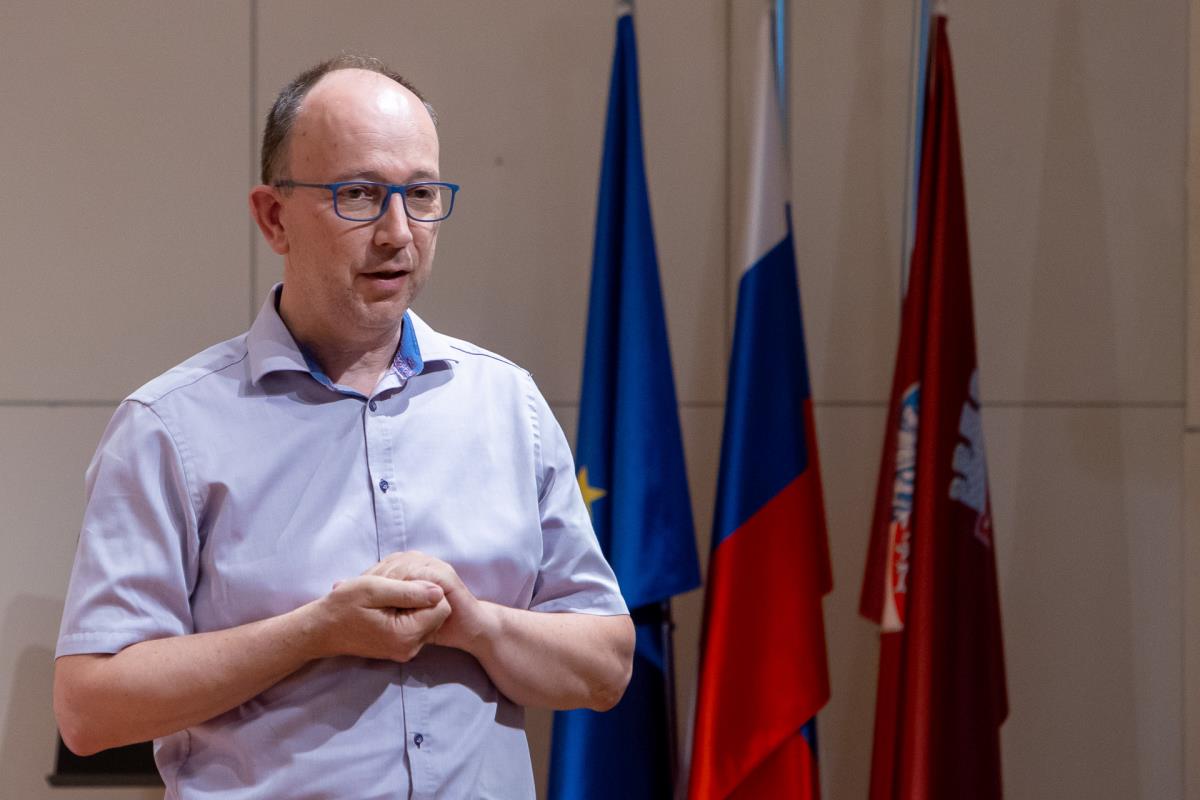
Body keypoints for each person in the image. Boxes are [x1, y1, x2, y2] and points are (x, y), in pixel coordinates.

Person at [53, 54, 634, 799]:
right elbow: (89, 710)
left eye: (420, 194)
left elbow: (606, 667)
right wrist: (315, 632)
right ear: (274, 217)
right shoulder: (170, 428)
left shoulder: (508, 405)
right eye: (358, 195)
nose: (398, 233)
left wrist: (475, 625)